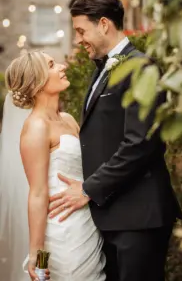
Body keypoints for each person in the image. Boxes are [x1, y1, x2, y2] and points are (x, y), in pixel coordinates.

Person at [49, 0, 182, 281]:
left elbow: (140, 144)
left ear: (105, 25)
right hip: (108, 216)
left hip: (138, 216)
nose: (78, 39)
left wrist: (87, 188)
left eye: (81, 30)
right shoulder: (101, 70)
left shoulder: (140, 67)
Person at [0, 51, 105, 281]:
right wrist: (37, 255)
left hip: (87, 223)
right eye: (51, 65)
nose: (61, 66)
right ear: (37, 81)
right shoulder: (35, 127)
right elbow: (37, 194)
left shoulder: (67, 119)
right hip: (60, 230)